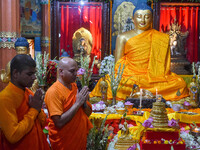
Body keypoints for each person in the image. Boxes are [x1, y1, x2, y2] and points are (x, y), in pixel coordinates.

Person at [90, 0, 189, 101]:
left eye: (147, 17)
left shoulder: (160, 37)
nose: (143, 20)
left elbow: (163, 67)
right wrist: (123, 76)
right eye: (139, 16)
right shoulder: (123, 37)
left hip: (153, 78)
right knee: (107, 83)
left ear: (152, 19)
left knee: (180, 84)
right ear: (133, 19)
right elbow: (118, 64)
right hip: (131, 76)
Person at [0, 54, 50, 150]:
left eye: (34, 73)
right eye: (29, 74)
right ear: (15, 73)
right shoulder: (5, 98)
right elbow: (13, 136)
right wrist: (34, 110)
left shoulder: (29, 93)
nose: (34, 77)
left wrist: (38, 109)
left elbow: (43, 123)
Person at [45, 57, 93, 150]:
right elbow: (58, 122)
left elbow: (87, 113)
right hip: (64, 142)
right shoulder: (54, 92)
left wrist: (83, 103)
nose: (76, 74)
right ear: (61, 72)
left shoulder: (74, 87)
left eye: (76, 70)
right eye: (72, 71)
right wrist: (77, 103)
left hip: (79, 140)